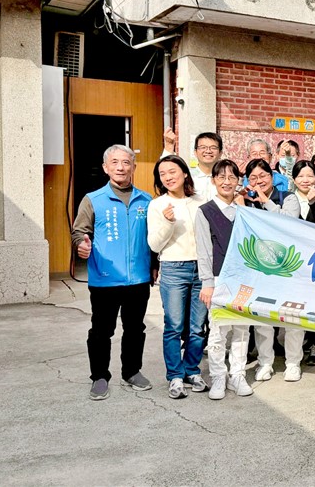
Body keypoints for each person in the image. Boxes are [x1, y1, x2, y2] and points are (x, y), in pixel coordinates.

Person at [72, 145, 155, 401]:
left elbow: (153, 237)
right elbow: (79, 231)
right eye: (115, 162)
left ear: (134, 167)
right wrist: (81, 245)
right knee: (101, 331)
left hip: (138, 279)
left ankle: (131, 372)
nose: (121, 167)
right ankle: (99, 376)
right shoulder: (93, 199)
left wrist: (154, 264)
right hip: (105, 280)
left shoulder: (146, 200)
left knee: (135, 329)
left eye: (126, 162)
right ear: (106, 167)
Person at [147, 155, 208, 399]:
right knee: (173, 326)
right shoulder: (157, 205)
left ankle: (191, 370)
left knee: (197, 327)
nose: (168, 177)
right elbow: (154, 244)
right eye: (162, 174)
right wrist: (168, 222)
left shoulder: (200, 201)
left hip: (201, 269)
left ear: (184, 173)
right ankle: (174, 375)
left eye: (172, 171)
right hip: (174, 268)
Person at [195, 159, 254, 398]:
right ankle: (219, 376)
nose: (227, 182)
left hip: (244, 279)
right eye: (221, 177)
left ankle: (237, 375)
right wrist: (207, 283)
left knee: (242, 329)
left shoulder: (245, 211)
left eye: (232, 177)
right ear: (213, 181)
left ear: (238, 181)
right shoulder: (205, 211)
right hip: (219, 279)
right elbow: (204, 250)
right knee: (218, 331)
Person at [241, 158, 301, 381]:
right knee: (262, 317)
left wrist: (266, 201)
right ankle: (265, 362)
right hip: (259, 267)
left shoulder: (288, 197)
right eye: (253, 178)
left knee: (292, 316)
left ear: (272, 177)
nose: (259, 181)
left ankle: (293, 363)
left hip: (288, 266)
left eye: (263, 176)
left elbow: (289, 222)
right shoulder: (247, 202)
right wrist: (241, 200)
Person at [291, 159, 315, 367]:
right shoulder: (288, 199)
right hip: (294, 260)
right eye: (301, 176)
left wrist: (314, 203)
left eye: (310, 176)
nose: (305, 180)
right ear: (294, 179)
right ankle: (296, 344)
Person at [162, 129, 223, 201]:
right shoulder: (186, 176)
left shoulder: (227, 178)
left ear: (220, 153)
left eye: (213, 147)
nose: (208, 151)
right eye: (203, 147)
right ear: (195, 152)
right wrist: (169, 147)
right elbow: (166, 170)